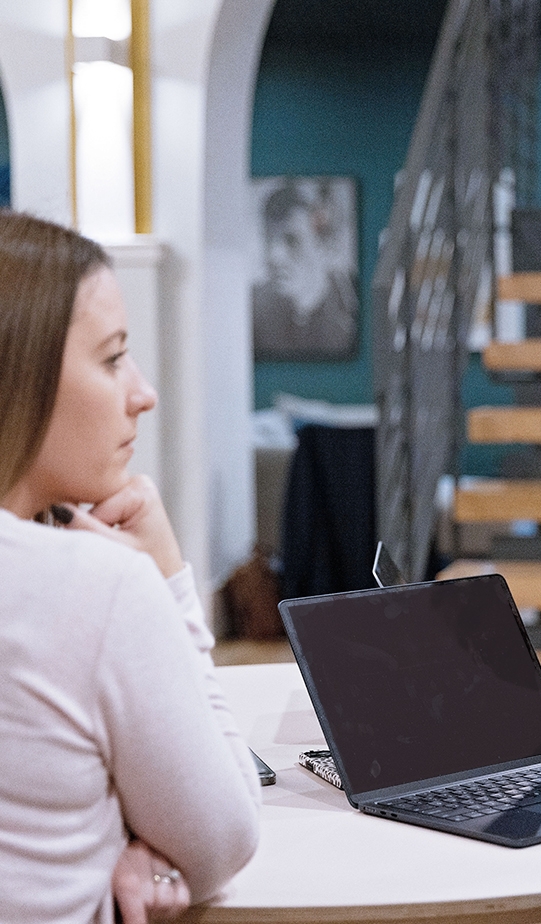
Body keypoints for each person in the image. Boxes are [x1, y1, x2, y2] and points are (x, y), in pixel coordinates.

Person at [0, 211, 261, 923]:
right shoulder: (97, 586)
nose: (142, 393)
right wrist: (171, 582)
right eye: (113, 358)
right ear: (19, 378)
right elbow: (228, 834)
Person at [252, 178, 358, 360]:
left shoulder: (353, 307)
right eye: (270, 240)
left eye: (291, 240)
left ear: (323, 244)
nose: (275, 256)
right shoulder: (255, 311)